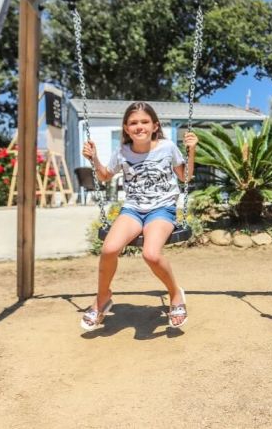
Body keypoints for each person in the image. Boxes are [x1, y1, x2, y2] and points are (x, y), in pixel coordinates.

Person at [80, 101, 198, 331]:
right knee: (109, 249)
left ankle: (175, 294)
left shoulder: (167, 147)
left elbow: (185, 177)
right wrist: (93, 158)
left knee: (151, 255)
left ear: (155, 126)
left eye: (144, 122)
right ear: (126, 128)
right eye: (133, 123)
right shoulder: (122, 152)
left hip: (161, 209)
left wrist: (191, 151)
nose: (139, 126)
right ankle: (102, 298)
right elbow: (104, 176)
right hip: (133, 209)